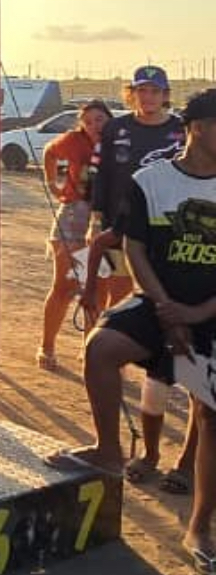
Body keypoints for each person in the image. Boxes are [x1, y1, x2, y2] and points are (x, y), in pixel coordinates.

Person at [52, 91, 216, 532]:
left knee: (207, 400)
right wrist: (165, 309)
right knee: (101, 347)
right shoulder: (150, 181)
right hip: (159, 301)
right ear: (198, 128)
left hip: (209, 310)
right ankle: (109, 449)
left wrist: (196, 315)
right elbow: (132, 247)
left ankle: (194, 499)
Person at [84, 66, 191, 486]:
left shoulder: (181, 131)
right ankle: (126, 451)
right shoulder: (117, 129)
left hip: (178, 253)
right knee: (117, 315)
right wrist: (97, 221)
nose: (147, 97)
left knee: (189, 372)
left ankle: (187, 466)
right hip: (126, 229)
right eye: (141, 91)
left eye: (155, 91)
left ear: (166, 95)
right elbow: (100, 177)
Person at [37, 100, 112, 370]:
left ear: (109, 119)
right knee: (64, 286)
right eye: (88, 121)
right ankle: (47, 346)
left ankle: (89, 349)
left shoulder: (118, 142)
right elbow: (50, 152)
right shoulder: (73, 141)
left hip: (105, 218)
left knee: (98, 289)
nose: (94, 126)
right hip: (73, 216)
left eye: (99, 119)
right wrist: (54, 183)